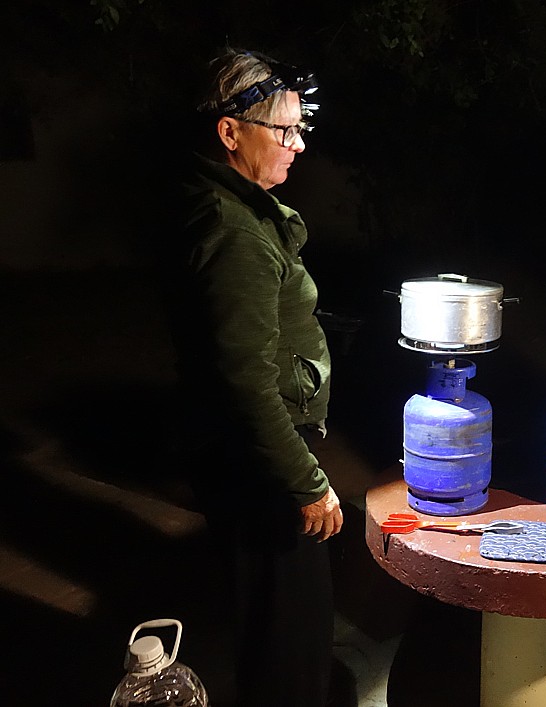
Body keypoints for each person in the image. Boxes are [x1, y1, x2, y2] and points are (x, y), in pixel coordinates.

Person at [165, 48, 342, 707]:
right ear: (230, 132)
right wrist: (307, 484)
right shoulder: (233, 231)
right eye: (285, 130)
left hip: (244, 454)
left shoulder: (230, 204)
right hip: (259, 464)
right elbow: (245, 381)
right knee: (290, 638)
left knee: (272, 621)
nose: (298, 145)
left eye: (301, 128)